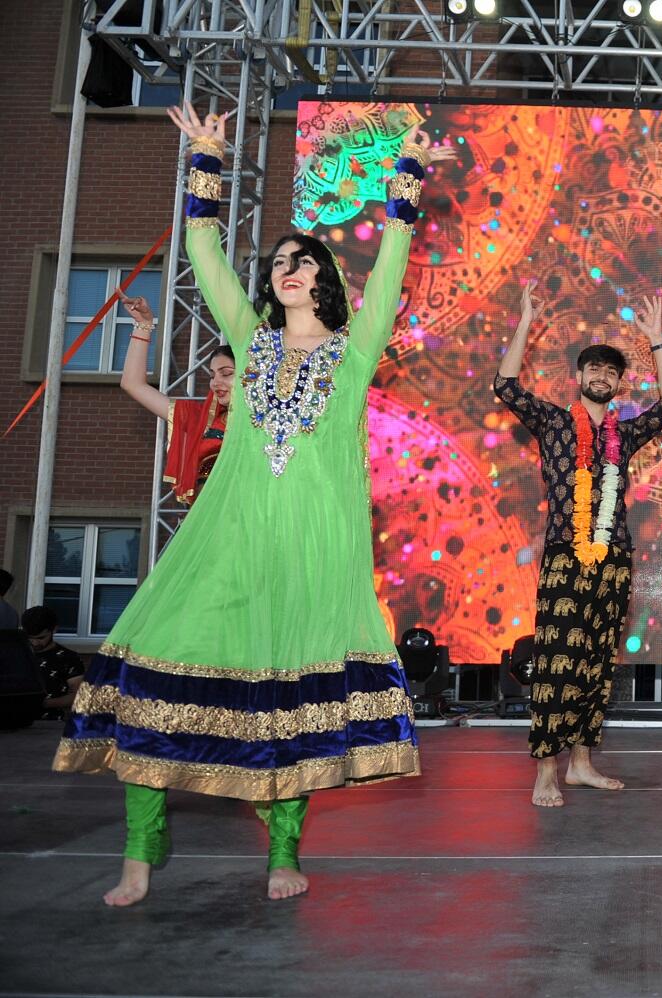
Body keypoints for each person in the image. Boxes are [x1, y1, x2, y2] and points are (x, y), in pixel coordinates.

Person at [53, 105, 455, 906]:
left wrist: (406, 175)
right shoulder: (250, 340)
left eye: (302, 261)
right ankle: (140, 852)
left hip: (310, 550)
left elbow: (393, 263)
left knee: (288, 708)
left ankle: (282, 853)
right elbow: (203, 251)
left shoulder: (354, 350)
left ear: (326, 279)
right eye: (278, 262)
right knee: (156, 671)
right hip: (228, 538)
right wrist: (205, 160)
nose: (286, 269)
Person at [493, 281, 662, 808]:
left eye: (611, 371)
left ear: (618, 384)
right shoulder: (553, 422)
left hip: (614, 557)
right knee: (557, 660)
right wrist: (526, 321)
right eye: (593, 368)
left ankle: (580, 764)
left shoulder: (625, 435)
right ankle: (545, 772)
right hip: (565, 554)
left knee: (597, 662)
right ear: (578, 378)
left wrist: (657, 340)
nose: (601, 376)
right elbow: (505, 386)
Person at [118, 293, 235, 504]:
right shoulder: (200, 419)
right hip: (207, 518)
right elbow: (132, 384)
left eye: (226, 374)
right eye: (212, 375)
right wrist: (144, 324)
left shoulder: (276, 425)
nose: (216, 382)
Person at [22, 606, 84, 720]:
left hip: (51, 722)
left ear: (54, 630)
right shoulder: (17, 654)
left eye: (41, 638)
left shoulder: (69, 658)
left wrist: (44, 703)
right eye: (30, 638)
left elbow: (78, 696)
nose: (34, 643)